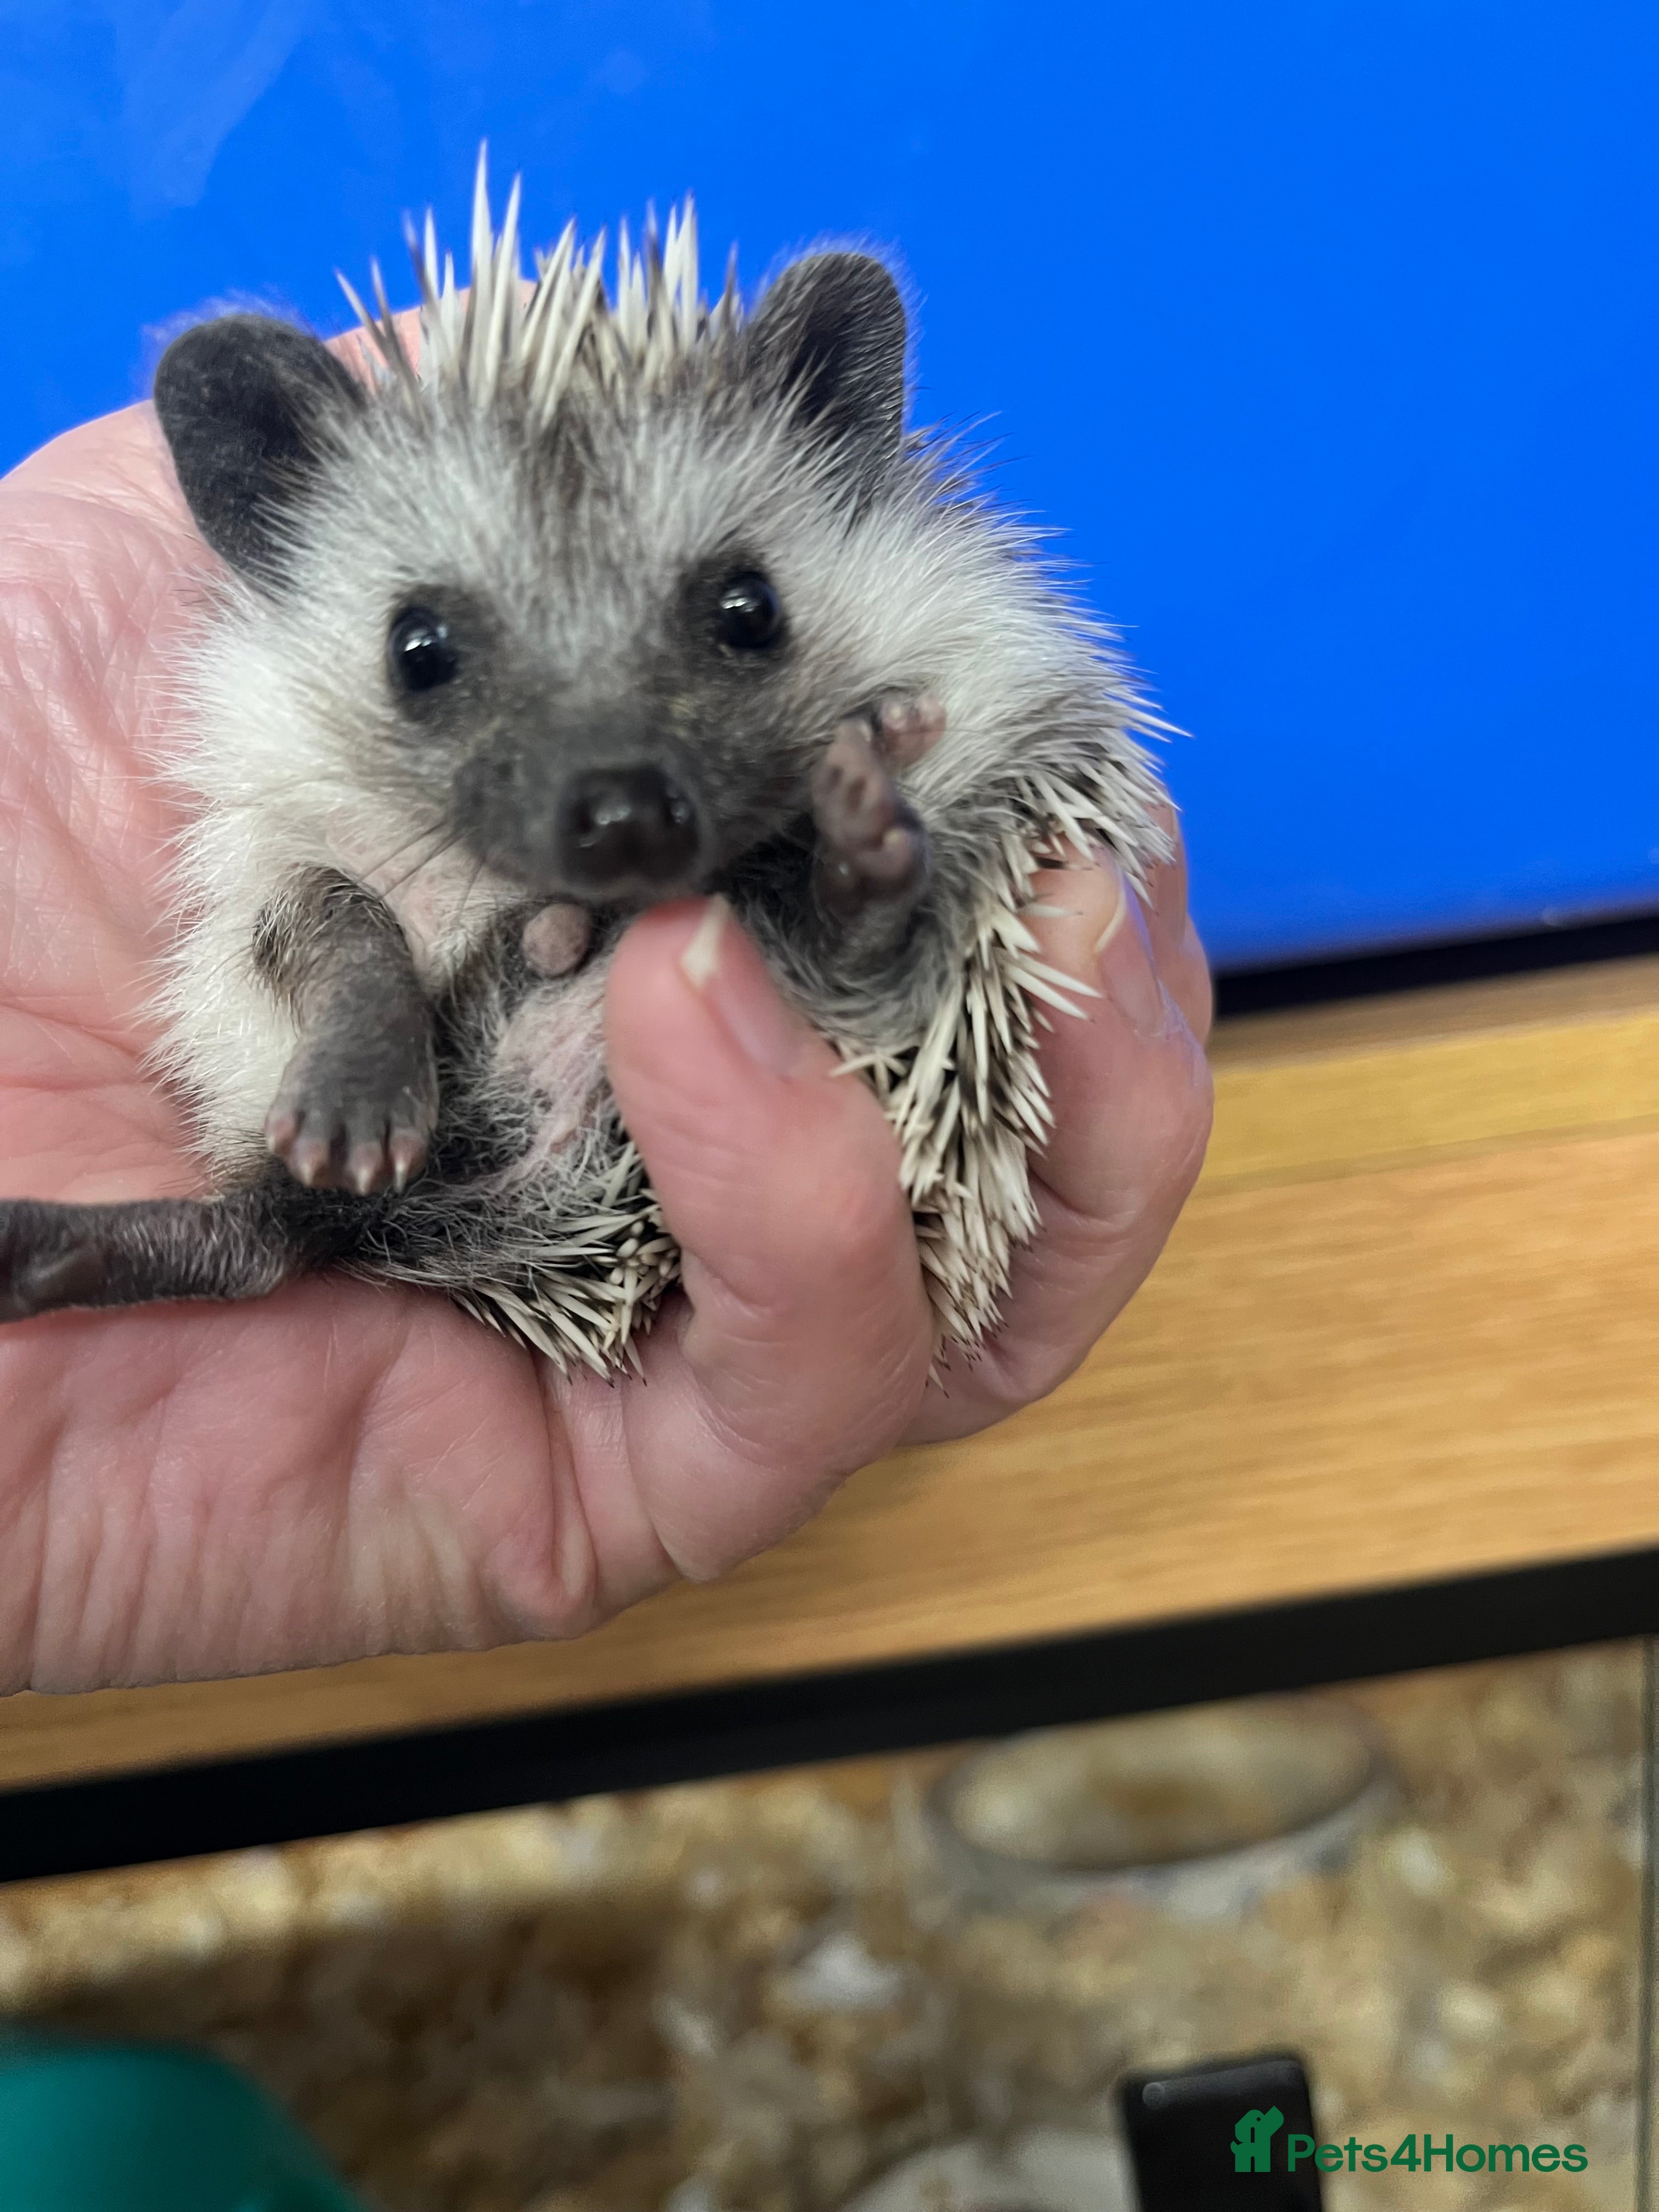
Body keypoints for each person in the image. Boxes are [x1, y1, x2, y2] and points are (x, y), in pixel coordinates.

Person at [0, 395, 1214, 1694]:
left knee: (856, 948)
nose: (607, 765)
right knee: (313, 922)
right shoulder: (276, 720)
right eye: (433, 652)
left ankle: (851, 914)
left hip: (761, 985)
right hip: (478, 1133)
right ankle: (269, 1205)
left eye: (734, 622)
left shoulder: (911, 650)